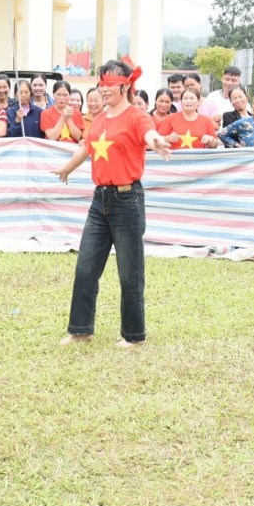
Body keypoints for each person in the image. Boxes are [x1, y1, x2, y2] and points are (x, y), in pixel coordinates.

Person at [53, 60, 171, 348]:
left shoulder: (136, 116)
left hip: (127, 200)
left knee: (129, 272)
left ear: (126, 86)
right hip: (100, 200)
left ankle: (134, 336)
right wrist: (67, 168)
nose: (104, 90)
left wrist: (156, 142)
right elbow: (87, 146)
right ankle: (80, 328)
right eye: (102, 84)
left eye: (110, 85)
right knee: (86, 267)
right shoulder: (101, 118)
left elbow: (149, 134)